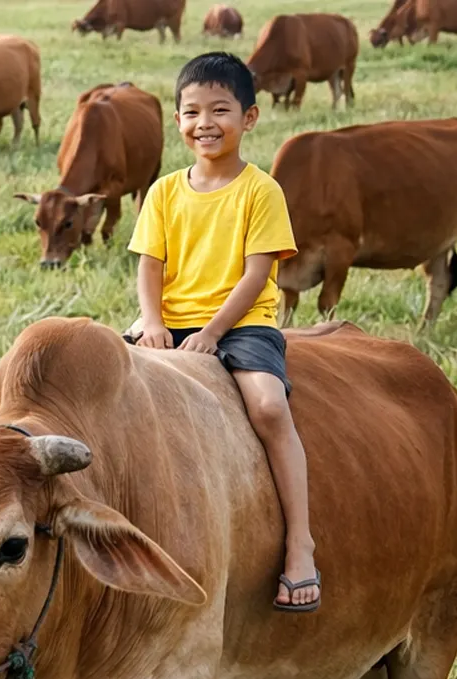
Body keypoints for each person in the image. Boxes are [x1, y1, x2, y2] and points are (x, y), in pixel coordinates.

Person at [126, 52, 320, 611]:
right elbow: (149, 267)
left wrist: (212, 332)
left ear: (249, 117)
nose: (204, 123)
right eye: (191, 112)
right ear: (177, 120)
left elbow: (257, 274)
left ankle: (300, 545)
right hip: (169, 319)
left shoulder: (261, 191)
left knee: (269, 408)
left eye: (220, 110)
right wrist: (153, 322)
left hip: (241, 322)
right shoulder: (164, 191)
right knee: (103, 394)